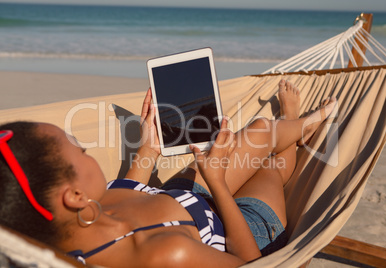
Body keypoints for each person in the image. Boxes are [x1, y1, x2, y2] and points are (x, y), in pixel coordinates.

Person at [0, 80, 337, 267]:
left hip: (182, 196)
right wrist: (218, 183)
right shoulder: (164, 254)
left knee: (262, 129)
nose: (88, 150)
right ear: (74, 196)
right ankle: (300, 129)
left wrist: (148, 149)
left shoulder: (79, 216)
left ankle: (291, 128)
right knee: (271, 169)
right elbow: (251, 265)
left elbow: (130, 189)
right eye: (80, 150)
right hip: (241, 229)